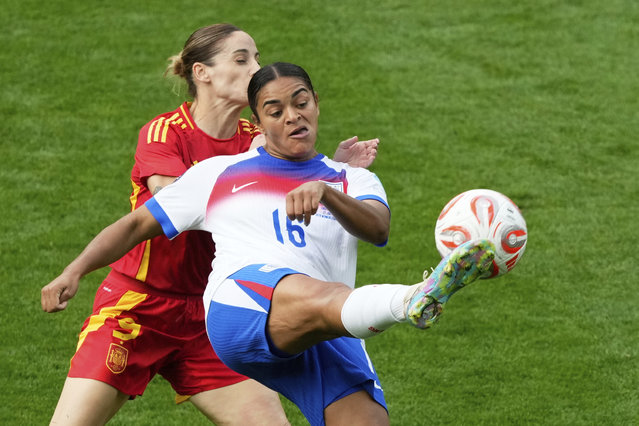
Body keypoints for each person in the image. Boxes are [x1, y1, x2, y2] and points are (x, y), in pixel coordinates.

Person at [42, 62, 496, 425]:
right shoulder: (220, 174)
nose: (292, 115)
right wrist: (74, 270)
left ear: (316, 104)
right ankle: (411, 300)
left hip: (325, 326)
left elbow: (378, 228)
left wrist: (327, 192)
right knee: (313, 292)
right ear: (258, 122)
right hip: (240, 307)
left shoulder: (352, 177)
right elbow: (134, 225)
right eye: (275, 110)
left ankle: (407, 301)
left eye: (301, 103)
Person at [41, 24, 378, 426]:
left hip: (212, 315)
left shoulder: (258, 137)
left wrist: (332, 172)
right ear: (202, 73)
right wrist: (75, 270)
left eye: (256, 57)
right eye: (242, 59)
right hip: (138, 309)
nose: (256, 67)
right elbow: (175, 201)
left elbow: (292, 179)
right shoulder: (167, 133)